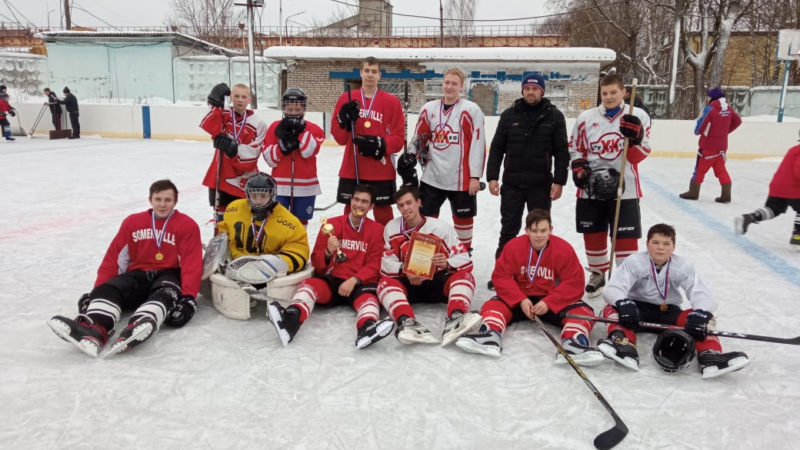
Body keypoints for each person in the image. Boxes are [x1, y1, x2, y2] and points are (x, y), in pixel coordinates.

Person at [47, 179, 203, 357]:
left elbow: (192, 263)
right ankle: (94, 330)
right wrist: (96, 291)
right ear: (150, 199)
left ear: (175, 201)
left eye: (167, 200)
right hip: (138, 274)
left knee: (166, 292)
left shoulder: (186, 225)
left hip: (168, 274)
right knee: (109, 289)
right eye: (158, 199)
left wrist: (188, 298)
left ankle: (139, 324)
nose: (162, 204)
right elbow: (113, 259)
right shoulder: (133, 222)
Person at [597, 223, 750, 379]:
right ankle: (622, 343)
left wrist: (701, 312)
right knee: (611, 308)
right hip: (637, 310)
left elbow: (701, 292)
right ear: (647, 244)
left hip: (668, 312)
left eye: (666, 244)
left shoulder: (683, 266)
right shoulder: (635, 262)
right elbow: (613, 288)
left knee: (704, 318)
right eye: (655, 242)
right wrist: (623, 303)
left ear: (673, 247)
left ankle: (710, 355)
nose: (660, 248)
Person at [456, 209, 602, 364]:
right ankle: (490, 336)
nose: (539, 235)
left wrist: (549, 302)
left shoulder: (563, 249)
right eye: (534, 231)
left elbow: (574, 282)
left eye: (544, 230)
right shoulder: (514, 247)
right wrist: (519, 299)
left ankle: (573, 345)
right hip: (522, 301)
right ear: (526, 231)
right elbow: (501, 276)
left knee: (583, 312)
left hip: (551, 302)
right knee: (493, 305)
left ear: (551, 230)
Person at [267, 184, 393, 349]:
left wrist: (355, 280)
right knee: (309, 285)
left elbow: (375, 264)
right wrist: (327, 251)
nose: (359, 205)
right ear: (350, 200)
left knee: (370, 300)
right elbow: (317, 265)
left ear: (371, 207)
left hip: (359, 284)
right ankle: (291, 319)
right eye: (356, 199)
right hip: (333, 282)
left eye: (364, 202)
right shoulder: (331, 225)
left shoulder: (377, 230)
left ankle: (367, 328)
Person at [568, 73, 652, 297]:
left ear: (624, 92)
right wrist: (579, 167)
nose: (609, 97)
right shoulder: (586, 117)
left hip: (626, 188)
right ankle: (598, 274)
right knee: (593, 233)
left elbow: (640, 154)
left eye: (614, 92)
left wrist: (634, 139)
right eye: (605, 93)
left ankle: (625, 279)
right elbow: (575, 147)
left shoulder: (638, 116)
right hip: (591, 188)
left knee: (625, 236)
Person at [485, 73, 569, 290]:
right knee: (509, 229)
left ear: (542, 91)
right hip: (512, 184)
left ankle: (544, 275)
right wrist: (492, 177)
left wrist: (559, 181)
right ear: (522, 90)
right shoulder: (509, 115)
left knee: (540, 231)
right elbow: (496, 148)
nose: (531, 92)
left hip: (540, 186)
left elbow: (561, 152)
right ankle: (501, 275)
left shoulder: (555, 117)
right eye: (527, 88)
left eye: (535, 88)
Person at [376, 185, 480, 345]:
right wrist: (405, 269)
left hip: (436, 284)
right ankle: (406, 322)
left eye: (409, 203)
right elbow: (386, 265)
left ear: (419, 202)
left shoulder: (440, 227)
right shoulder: (391, 228)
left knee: (465, 276)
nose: (405, 208)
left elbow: (464, 258)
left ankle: (456, 318)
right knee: (383, 284)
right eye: (401, 205)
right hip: (407, 286)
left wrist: (447, 263)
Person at [401, 67, 486, 252]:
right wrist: (409, 155)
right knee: (426, 217)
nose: (449, 87)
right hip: (432, 177)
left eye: (454, 83)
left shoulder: (471, 110)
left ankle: (464, 256)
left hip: (461, 180)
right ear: (442, 84)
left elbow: (477, 145)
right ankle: (423, 258)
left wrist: (475, 176)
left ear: (461, 87)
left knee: (463, 220)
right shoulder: (429, 108)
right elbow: (420, 137)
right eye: (446, 82)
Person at [331, 56, 405, 226]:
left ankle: (387, 247)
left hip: (380, 168)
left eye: (374, 71)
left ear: (380, 75)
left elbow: (398, 139)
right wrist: (343, 122)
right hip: (353, 167)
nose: (370, 75)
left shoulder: (392, 101)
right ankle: (352, 244)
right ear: (360, 73)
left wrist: (380, 144)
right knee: (352, 211)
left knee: (383, 213)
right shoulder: (347, 98)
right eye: (366, 71)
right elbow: (340, 139)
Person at [216, 172, 309, 288]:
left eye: (263, 196)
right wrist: (222, 252)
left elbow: (299, 251)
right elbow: (224, 233)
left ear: (272, 195)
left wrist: (271, 264)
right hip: (234, 266)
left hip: (267, 274)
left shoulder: (290, 223)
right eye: (254, 196)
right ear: (247, 195)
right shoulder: (234, 208)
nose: (258, 200)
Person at [200, 83, 268, 225]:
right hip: (220, 176)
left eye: (244, 96)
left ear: (250, 99)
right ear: (230, 98)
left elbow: (254, 153)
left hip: (244, 181)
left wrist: (234, 149)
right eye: (236, 96)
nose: (240, 100)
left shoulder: (258, 123)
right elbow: (210, 126)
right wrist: (214, 103)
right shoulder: (224, 113)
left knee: (242, 222)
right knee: (221, 222)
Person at [262, 88, 325, 226]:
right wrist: (283, 147)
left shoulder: (314, 129)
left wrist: (300, 132)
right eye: (289, 110)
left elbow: (308, 151)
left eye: (297, 110)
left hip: (306, 185)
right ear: (284, 108)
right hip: (280, 185)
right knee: (278, 222)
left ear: (304, 109)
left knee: (300, 223)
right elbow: (269, 160)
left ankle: (299, 247)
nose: (293, 113)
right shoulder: (274, 128)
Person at [735, 132, 800, 246]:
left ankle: (749, 218)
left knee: (773, 209)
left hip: (778, 186)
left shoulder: (794, 149)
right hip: (794, 189)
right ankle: (797, 236)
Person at [679, 87, 742, 203]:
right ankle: (726, 195)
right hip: (722, 147)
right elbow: (738, 121)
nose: (707, 98)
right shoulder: (728, 108)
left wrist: (698, 132)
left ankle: (693, 192)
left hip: (708, 146)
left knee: (700, 170)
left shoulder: (710, 109)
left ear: (712, 97)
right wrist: (725, 132)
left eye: (708, 96)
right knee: (721, 170)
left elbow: (701, 124)